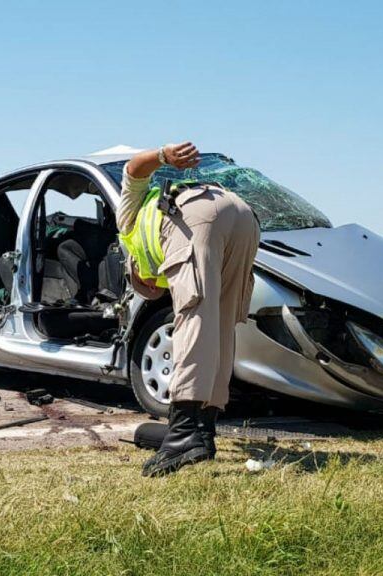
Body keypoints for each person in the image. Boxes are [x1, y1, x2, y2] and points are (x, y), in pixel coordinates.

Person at [118, 142, 260, 476]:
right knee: (221, 326)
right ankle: (203, 432)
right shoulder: (155, 238)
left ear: (133, 268)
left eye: (148, 284)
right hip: (243, 216)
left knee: (193, 317)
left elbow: (133, 169)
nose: (155, 287)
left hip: (196, 217)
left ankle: (181, 434)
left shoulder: (127, 223)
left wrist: (163, 157)